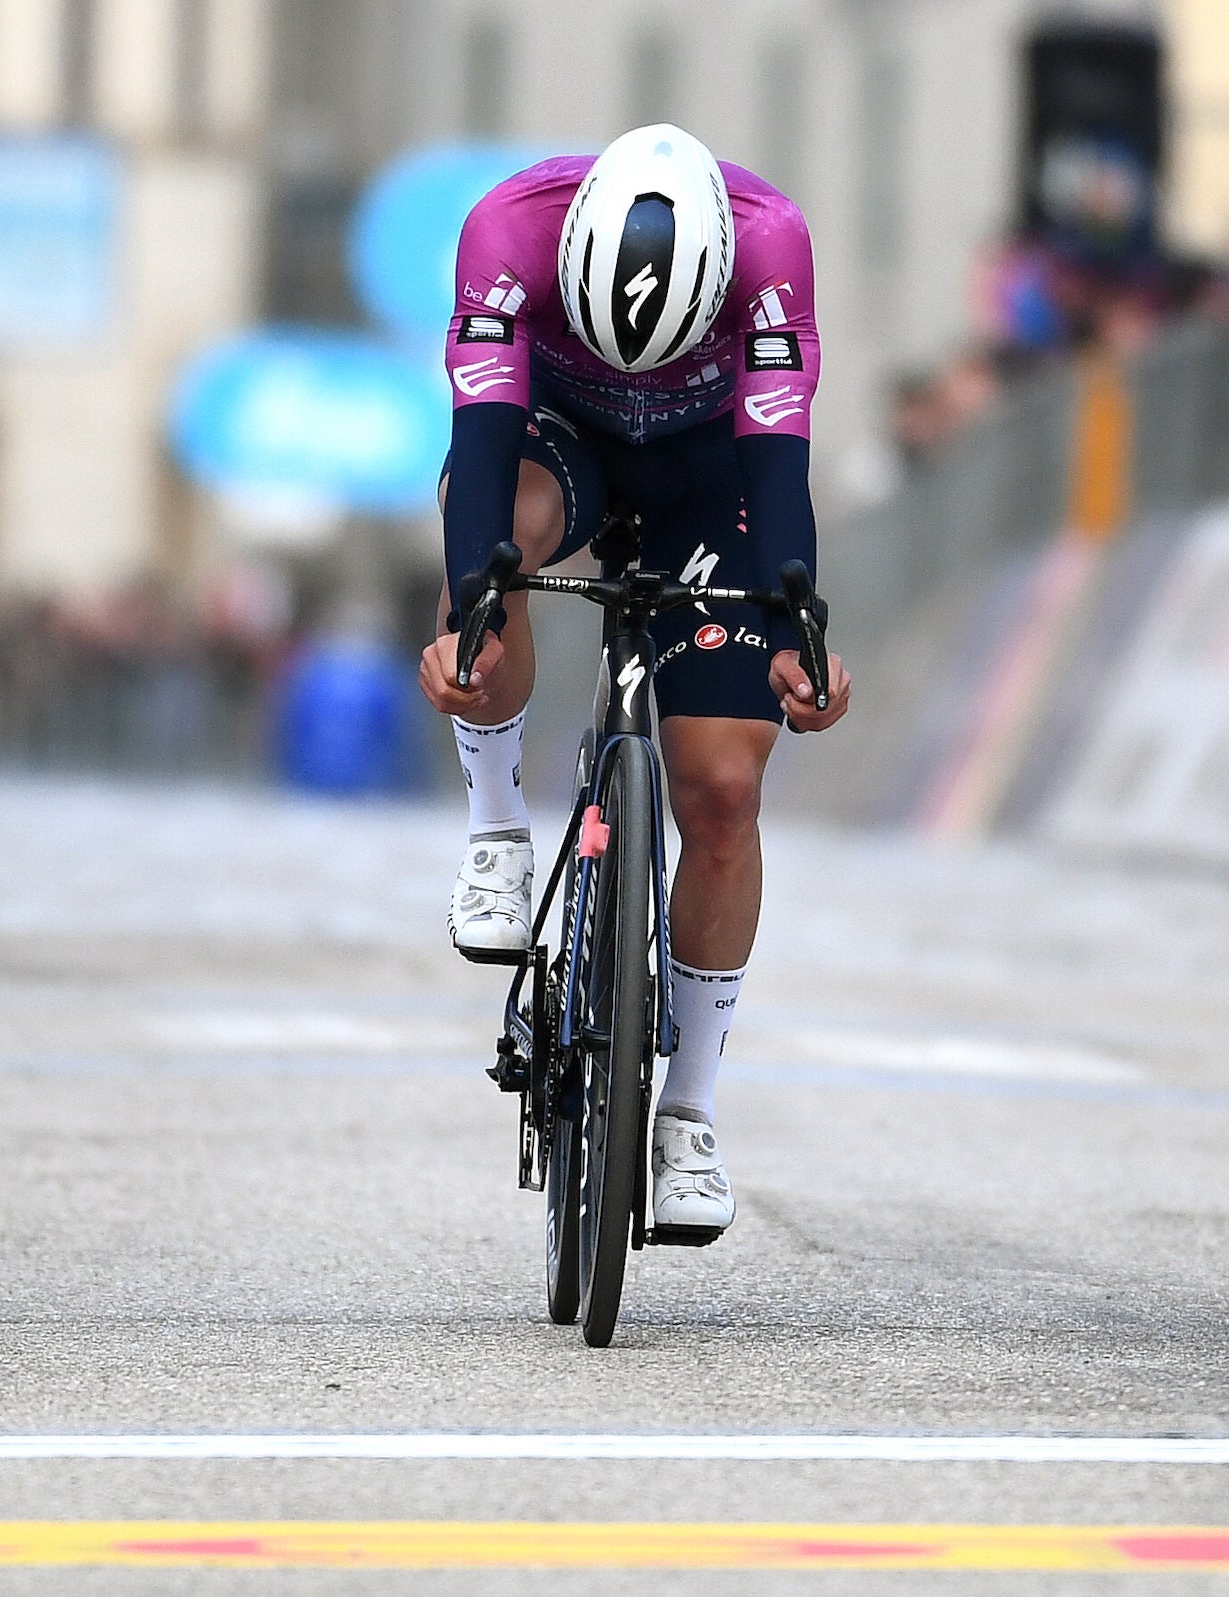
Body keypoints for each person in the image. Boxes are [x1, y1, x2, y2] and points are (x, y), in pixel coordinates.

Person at [417, 125, 852, 1239]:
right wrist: (470, 612)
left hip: (710, 470)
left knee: (723, 792)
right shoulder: (506, 228)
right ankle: (498, 831)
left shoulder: (771, 242)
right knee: (493, 549)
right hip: (561, 442)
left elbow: (781, 463)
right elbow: (483, 438)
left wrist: (796, 631)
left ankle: (687, 1113)